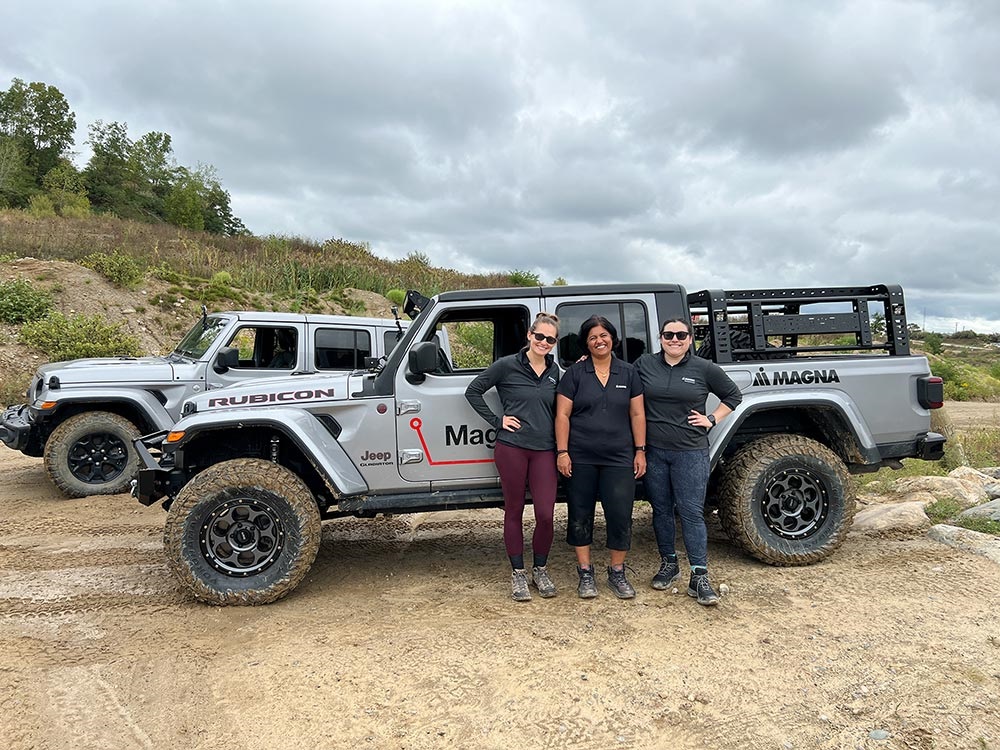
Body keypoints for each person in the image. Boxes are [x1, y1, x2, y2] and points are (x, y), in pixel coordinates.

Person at [635, 318, 743, 606]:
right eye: (669, 335)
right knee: (661, 511)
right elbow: (623, 382)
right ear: (660, 339)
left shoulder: (703, 368)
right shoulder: (645, 364)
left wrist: (711, 419)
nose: (674, 339)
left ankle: (699, 576)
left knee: (691, 513)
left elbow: (733, 396)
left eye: (681, 335)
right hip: (655, 452)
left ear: (690, 338)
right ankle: (669, 564)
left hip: (690, 452)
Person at [465, 313, 562, 602]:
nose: (544, 342)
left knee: (545, 514)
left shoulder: (555, 371)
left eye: (550, 339)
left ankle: (540, 569)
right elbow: (473, 392)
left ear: (555, 343)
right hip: (512, 448)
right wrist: (497, 421)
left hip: (544, 449)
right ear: (530, 336)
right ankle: (518, 573)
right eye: (540, 336)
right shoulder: (507, 365)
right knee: (514, 511)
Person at [555, 316, 646, 599]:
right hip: (580, 456)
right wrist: (562, 452)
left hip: (619, 457)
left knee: (620, 515)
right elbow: (562, 415)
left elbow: (637, 413)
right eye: (593, 337)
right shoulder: (575, 374)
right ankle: (585, 572)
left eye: (604, 335)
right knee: (580, 514)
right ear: (586, 342)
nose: (599, 341)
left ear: (613, 338)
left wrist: (640, 450)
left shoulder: (628, 373)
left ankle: (617, 572)